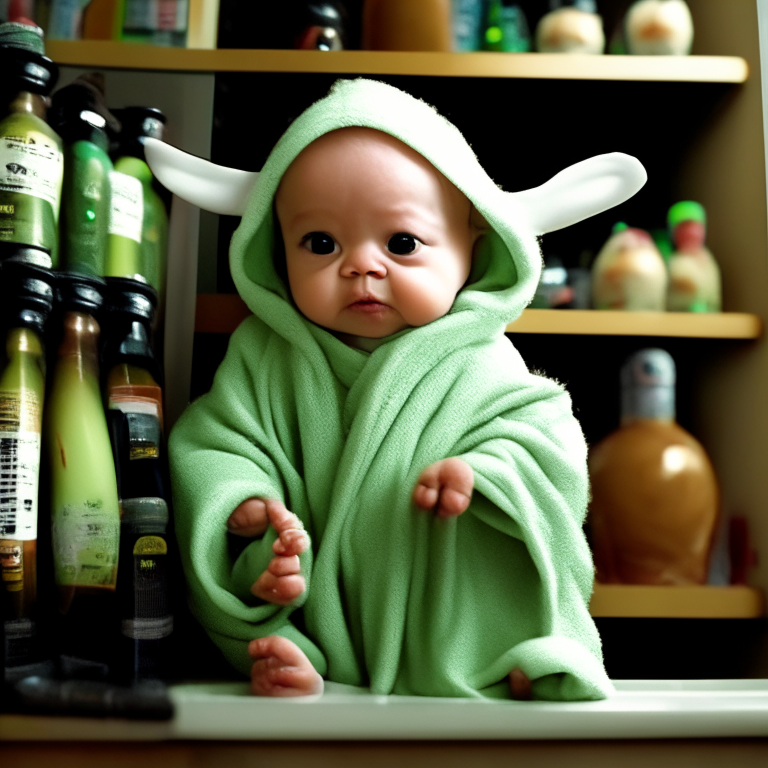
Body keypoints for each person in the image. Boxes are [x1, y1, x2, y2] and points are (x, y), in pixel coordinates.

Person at [155, 78, 645, 701]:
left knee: (484, 571)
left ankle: (489, 660)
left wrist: (485, 475)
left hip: (438, 601)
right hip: (317, 604)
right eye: (321, 243)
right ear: (275, 251)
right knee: (274, 572)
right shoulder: (267, 357)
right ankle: (305, 660)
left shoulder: (480, 357)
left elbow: (547, 442)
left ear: (474, 247)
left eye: (402, 243)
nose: (363, 266)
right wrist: (240, 501)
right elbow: (217, 439)